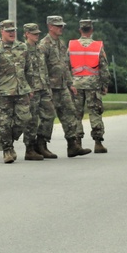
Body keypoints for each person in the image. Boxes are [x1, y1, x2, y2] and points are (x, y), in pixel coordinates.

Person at [38, 15, 90, 158]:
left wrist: (70, 83)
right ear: (50, 27)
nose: (61, 28)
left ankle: (73, 145)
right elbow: (41, 68)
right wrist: (45, 87)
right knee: (48, 117)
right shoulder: (44, 45)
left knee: (70, 113)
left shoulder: (61, 44)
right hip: (50, 88)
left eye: (62, 25)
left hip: (62, 87)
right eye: (58, 26)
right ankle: (41, 145)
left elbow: (65, 66)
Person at [0, 20, 33, 163]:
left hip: (21, 91)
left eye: (13, 30)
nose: (12, 33)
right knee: (3, 123)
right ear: (2, 31)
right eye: (8, 31)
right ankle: (7, 150)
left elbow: (29, 70)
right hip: (2, 93)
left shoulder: (22, 47)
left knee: (24, 119)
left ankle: (7, 139)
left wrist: (31, 88)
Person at [70, 19, 110, 154]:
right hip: (93, 85)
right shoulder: (98, 46)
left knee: (76, 114)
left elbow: (65, 65)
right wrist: (104, 84)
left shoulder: (72, 45)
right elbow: (104, 67)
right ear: (91, 30)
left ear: (80, 30)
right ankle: (98, 143)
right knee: (95, 112)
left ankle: (77, 142)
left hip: (75, 85)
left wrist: (68, 83)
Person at [21, 23, 49, 160]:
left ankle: (42, 144)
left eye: (38, 33)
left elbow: (44, 68)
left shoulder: (40, 49)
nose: (37, 35)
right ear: (27, 34)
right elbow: (21, 71)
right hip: (31, 90)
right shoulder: (23, 49)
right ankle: (29, 148)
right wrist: (26, 89)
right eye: (34, 33)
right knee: (32, 119)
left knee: (49, 115)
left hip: (43, 87)